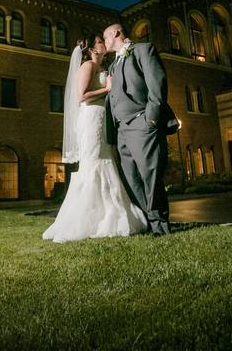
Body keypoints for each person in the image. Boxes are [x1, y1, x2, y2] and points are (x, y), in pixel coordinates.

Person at [42, 35, 148, 242]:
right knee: (94, 163)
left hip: (102, 119)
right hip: (91, 120)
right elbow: (81, 96)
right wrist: (107, 89)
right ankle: (88, 219)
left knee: (106, 160)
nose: (103, 44)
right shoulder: (87, 66)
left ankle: (110, 214)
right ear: (92, 48)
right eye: (100, 41)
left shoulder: (102, 68)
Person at [103, 23, 177, 236]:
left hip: (141, 124)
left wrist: (151, 119)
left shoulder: (144, 50)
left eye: (106, 37)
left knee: (150, 176)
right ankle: (147, 220)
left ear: (116, 33)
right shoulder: (112, 66)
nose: (105, 42)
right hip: (121, 130)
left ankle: (160, 225)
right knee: (131, 178)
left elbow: (157, 83)